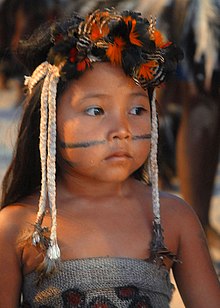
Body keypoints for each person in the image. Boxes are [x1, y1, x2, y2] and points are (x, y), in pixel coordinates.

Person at [0, 8, 219, 307]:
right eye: (96, 110)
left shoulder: (172, 218)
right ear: (48, 118)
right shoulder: (17, 227)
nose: (123, 130)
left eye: (137, 110)